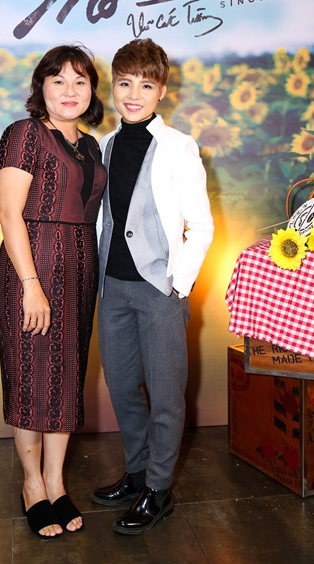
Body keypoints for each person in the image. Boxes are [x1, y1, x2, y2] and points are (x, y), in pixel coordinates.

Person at [92, 38, 214, 535]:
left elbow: (201, 226)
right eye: (125, 84)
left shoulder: (178, 146)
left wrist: (176, 285)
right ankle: (138, 471)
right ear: (113, 87)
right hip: (112, 287)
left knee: (165, 394)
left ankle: (159, 490)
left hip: (158, 288)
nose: (133, 95)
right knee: (122, 387)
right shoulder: (105, 144)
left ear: (162, 90)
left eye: (146, 85)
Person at [0, 44, 106, 539]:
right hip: (32, 269)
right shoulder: (24, 134)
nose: (69, 90)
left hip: (80, 271)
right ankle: (32, 485)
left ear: (92, 91)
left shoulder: (92, 145)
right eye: (58, 80)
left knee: (65, 379)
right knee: (30, 378)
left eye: (80, 81)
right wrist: (31, 286)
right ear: (41, 87)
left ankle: (57, 483)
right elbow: (8, 214)